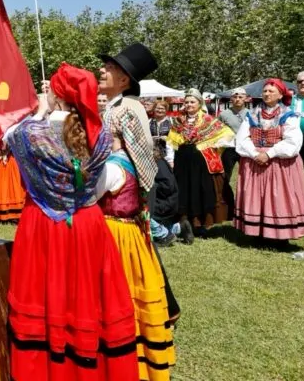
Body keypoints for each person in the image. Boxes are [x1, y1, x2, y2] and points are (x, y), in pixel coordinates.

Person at [6, 63, 139, 380]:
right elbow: (99, 184)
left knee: (43, 293)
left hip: (41, 224)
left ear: (54, 93)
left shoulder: (30, 132)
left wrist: (39, 109)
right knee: (86, 297)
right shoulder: (101, 135)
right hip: (86, 222)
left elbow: (8, 135)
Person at [99, 43, 177, 379]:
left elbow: (140, 153)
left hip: (120, 193)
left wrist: (139, 193)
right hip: (115, 187)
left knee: (129, 278)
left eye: (110, 67)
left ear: (124, 79)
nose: (102, 70)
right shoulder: (117, 104)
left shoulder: (127, 109)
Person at [234, 79, 304, 243]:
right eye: (265, 91)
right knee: (257, 197)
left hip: (280, 163)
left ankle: (280, 236)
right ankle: (257, 232)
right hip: (255, 161)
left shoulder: (289, 115)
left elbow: (293, 142)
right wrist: (255, 154)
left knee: (278, 197)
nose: (267, 94)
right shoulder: (252, 114)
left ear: (281, 95)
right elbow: (242, 139)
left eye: (271, 91)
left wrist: (269, 153)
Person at [167, 89, 235, 237]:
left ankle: (201, 224)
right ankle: (185, 222)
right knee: (183, 190)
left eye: (192, 102)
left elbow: (227, 133)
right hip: (182, 160)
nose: (189, 104)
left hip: (201, 162)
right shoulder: (178, 120)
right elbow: (171, 142)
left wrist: (215, 145)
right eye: (187, 102)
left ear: (199, 103)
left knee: (200, 190)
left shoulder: (207, 120)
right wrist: (170, 159)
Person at [218, 87, 249, 219]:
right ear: (231, 99)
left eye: (241, 97)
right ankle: (229, 207)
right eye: (235, 97)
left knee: (248, 178)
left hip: (246, 149)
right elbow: (217, 131)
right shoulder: (223, 114)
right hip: (229, 150)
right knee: (225, 178)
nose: (238, 99)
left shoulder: (251, 113)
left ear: (246, 99)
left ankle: (247, 207)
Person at [289, 71, 304, 168]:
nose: (303, 83)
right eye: (300, 81)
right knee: (294, 173)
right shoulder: (289, 100)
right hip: (293, 142)